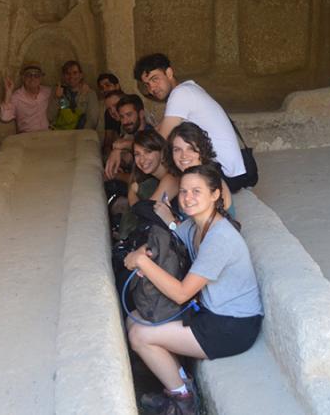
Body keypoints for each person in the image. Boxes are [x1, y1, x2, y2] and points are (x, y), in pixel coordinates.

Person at [123, 163, 263, 415]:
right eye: (184, 191)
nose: (188, 198)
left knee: (139, 336)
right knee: (135, 320)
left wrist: (141, 261)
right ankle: (179, 382)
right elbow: (176, 232)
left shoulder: (220, 237)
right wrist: (148, 251)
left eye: (196, 191)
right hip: (210, 312)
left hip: (233, 326)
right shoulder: (197, 225)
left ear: (216, 194)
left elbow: (181, 293)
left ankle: (184, 401)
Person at [134, 53, 249, 193]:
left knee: (168, 156)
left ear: (169, 73)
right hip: (231, 172)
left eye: (155, 79)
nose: (152, 88)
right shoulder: (188, 89)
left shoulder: (180, 94)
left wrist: (122, 146)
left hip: (226, 175)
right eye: (147, 84)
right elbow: (159, 129)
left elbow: (160, 139)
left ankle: (154, 204)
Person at [104, 94, 152, 180]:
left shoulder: (150, 135)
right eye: (122, 117)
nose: (125, 121)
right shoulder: (132, 133)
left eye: (129, 115)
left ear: (141, 114)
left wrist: (114, 175)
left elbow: (143, 181)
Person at [0, 63, 51, 133]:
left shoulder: (46, 92)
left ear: (41, 78)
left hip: (46, 134)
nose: (32, 78)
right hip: (27, 137)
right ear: (23, 77)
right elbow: (5, 117)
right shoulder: (17, 97)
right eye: (29, 75)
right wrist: (8, 92)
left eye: (36, 75)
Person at [48, 60, 99, 130]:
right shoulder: (57, 90)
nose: (71, 76)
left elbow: (92, 119)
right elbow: (50, 117)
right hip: (60, 134)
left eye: (75, 73)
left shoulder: (90, 93)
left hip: (82, 134)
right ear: (63, 76)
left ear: (81, 75)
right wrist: (56, 98)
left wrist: (82, 135)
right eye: (67, 73)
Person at [102, 89, 125, 156]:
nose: (112, 111)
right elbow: (108, 140)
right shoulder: (110, 115)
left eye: (115, 105)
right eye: (109, 108)